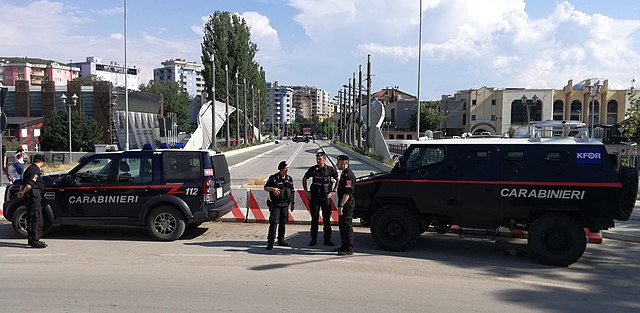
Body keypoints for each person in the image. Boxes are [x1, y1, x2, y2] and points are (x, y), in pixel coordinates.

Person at [302, 152, 339, 246]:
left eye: (320, 159)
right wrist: (306, 191)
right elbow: (305, 178)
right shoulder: (313, 169)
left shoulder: (330, 170)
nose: (318, 160)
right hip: (314, 197)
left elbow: (338, 179)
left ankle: (327, 239)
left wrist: (333, 191)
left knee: (326, 220)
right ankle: (313, 239)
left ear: (325, 159)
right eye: (317, 159)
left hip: (325, 197)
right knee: (314, 219)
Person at [16, 154, 47, 248]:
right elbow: (30, 184)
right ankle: (35, 240)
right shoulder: (35, 171)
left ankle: (31, 239)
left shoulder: (29, 169)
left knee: (30, 218)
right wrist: (23, 192)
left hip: (29, 198)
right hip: (34, 198)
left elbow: (23, 183)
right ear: (41, 162)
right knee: (37, 219)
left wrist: (21, 191)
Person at [264, 160, 295, 250]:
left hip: (285, 204)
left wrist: (292, 203)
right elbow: (265, 188)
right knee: (274, 223)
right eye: (285, 168)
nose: (287, 170)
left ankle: (281, 240)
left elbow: (292, 191)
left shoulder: (289, 179)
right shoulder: (273, 178)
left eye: (287, 168)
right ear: (281, 169)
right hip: (276, 204)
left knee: (283, 223)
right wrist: (272, 189)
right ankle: (270, 242)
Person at [335, 155, 356, 255]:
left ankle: (349, 248)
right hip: (343, 204)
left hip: (347, 205)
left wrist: (341, 206)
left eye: (338, 162)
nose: (337, 164)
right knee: (342, 225)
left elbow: (347, 193)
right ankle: (343, 245)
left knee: (347, 226)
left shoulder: (348, 175)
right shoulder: (344, 173)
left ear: (344, 163)